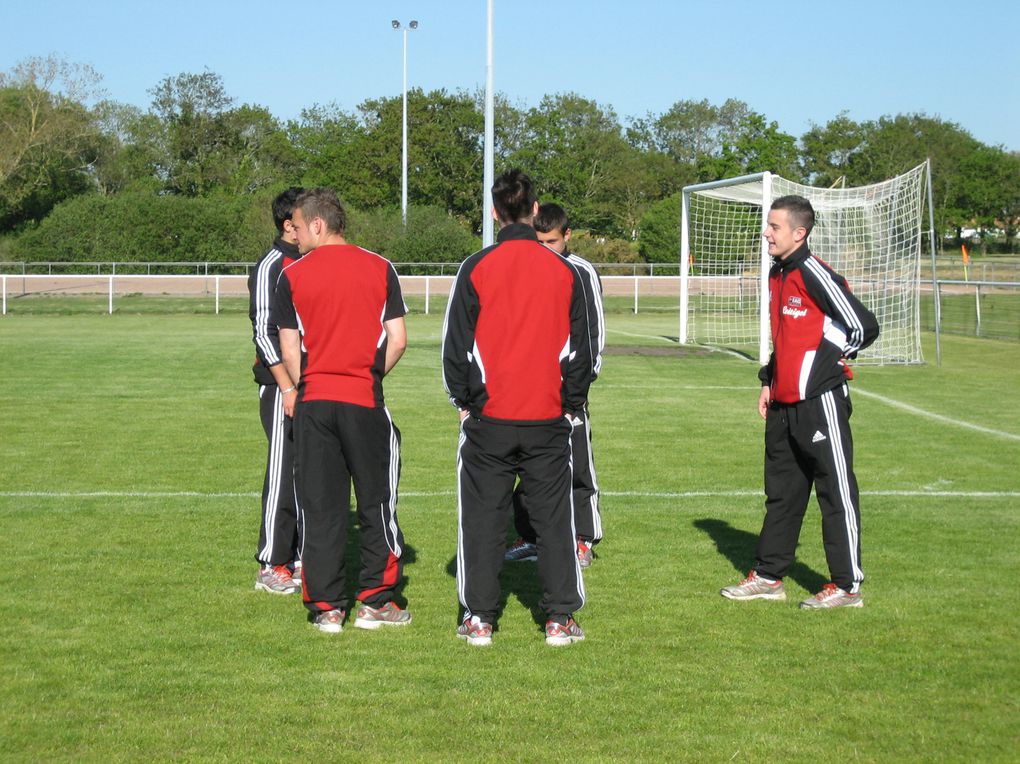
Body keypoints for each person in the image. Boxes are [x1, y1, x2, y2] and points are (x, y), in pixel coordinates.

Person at [443, 170, 593, 646]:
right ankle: (559, 619)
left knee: (482, 522)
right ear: (533, 210)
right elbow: (582, 353)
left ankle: (480, 619)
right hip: (548, 420)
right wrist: (570, 407)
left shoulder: (475, 266)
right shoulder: (565, 270)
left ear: (493, 212)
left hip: (491, 420)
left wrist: (466, 404)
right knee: (554, 521)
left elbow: (455, 349)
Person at [720, 195, 879, 609]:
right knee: (783, 493)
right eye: (767, 226)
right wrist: (769, 381)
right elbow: (785, 340)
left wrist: (827, 365)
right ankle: (770, 576)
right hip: (782, 405)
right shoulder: (778, 274)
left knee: (834, 490)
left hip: (819, 402)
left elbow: (864, 326)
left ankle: (847, 586)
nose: (766, 233)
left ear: (799, 232)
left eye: (774, 227)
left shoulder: (813, 273)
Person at [273, 187, 410, 634]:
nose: (293, 236)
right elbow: (398, 339)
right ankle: (375, 602)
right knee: (376, 503)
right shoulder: (380, 266)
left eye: (298, 225)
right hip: (364, 402)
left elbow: (289, 349)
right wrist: (369, 377)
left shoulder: (290, 275)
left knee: (321, 506)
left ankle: (328, 608)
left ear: (318, 224)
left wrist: (307, 384)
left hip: (314, 403)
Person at [505, 203, 605, 569]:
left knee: (578, 464)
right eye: (539, 241)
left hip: (568, 393)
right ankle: (530, 537)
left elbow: (592, 335)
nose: (546, 248)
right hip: (529, 391)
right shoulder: (527, 267)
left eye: (552, 241)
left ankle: (584, 539)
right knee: (526, 467)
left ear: (568, 236)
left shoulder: (581, 271)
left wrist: (578, 390)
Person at [248, 187, 304, 595]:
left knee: (308, 473)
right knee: (283, 471)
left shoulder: (308, 262)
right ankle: (272, 562)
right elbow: (264, 332)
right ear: (289, 225)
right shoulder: (272, 266)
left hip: (311, 385)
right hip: (280, 387)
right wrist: (286, 385)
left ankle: (300, 555)